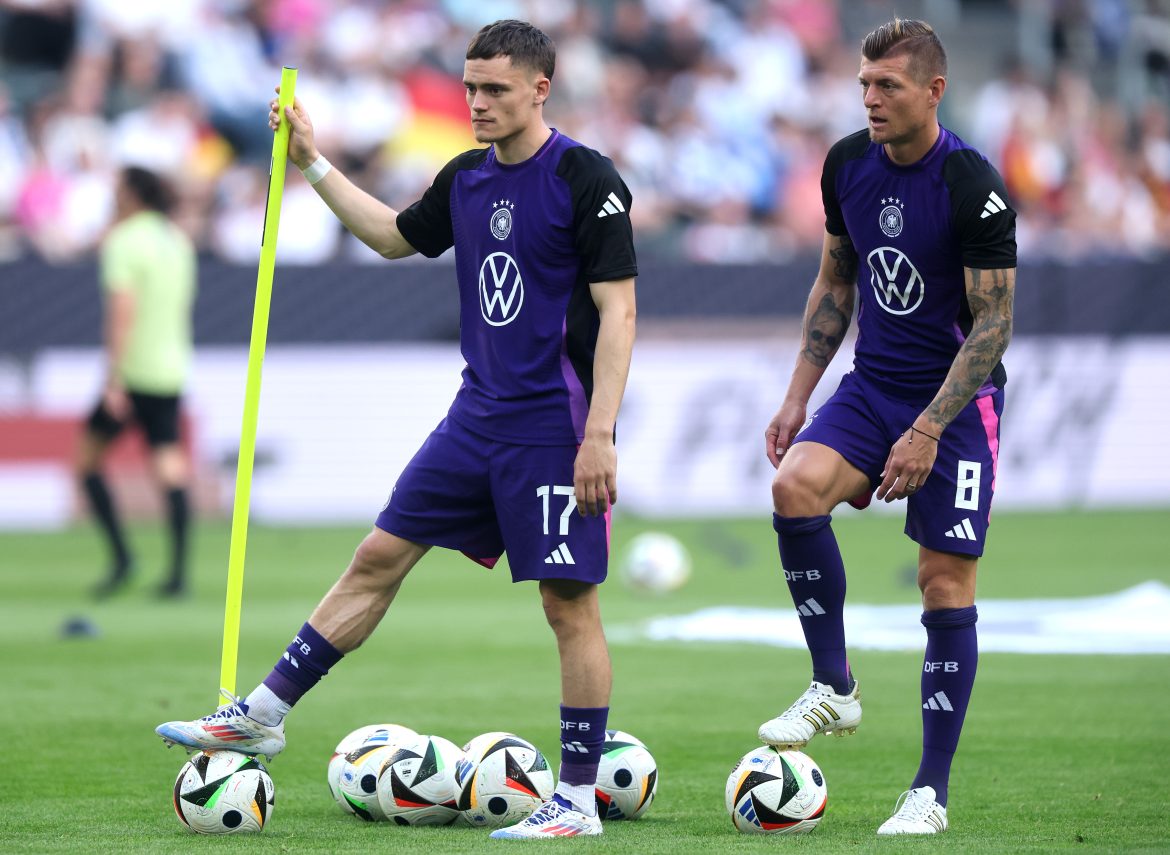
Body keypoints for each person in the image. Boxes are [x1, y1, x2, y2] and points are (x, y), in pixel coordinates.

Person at [155, 19, 637, 841]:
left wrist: (600, 433)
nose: (478, 103)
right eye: (471, 88)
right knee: (379, 554)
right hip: (475, 415)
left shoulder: (586, 177)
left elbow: (618, 310)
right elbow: (390, 236)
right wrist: (310, 160)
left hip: (553, 428)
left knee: (568, 604)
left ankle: (579, 800)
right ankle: (263, 715)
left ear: (540, 88)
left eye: (495, 89)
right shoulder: (467, 178)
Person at [757, 18, 1016, 836]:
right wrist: (799, 391)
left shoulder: (970, 183)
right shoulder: (846, 165)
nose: (870, 99)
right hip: (871, 388)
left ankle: (928, 793)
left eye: (888, 86)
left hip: (956, 405)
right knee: (794, 486)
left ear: (933, 92)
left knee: (943, 581)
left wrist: (930, 429)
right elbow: (837, 277)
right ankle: (834, 685)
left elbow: (993, 325)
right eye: (864, 84)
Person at [77, 165, 196, 599]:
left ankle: (124, 557)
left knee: (87, 461)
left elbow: (122, 311)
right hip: (171, 368)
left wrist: (113, 377)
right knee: (169, 467)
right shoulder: (176, 239)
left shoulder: (124, 241)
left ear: (132, 195)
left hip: (134, 371)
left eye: (118, 188)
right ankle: (179, 574)